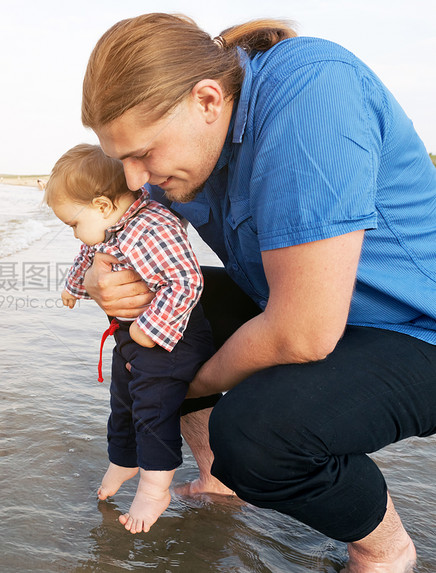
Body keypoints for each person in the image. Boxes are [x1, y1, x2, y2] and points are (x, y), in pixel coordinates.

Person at [80, 13, 436, 572]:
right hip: (305, 312)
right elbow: (118, 226)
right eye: (121, 158)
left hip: (415, 329)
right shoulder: (179, 159)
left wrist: (185, 380)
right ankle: (217, 477)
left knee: (256, 436)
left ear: (206, 101)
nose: (133, 179)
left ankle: (384, 550)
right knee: (154, 314)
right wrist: (100, 277)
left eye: (143, 153)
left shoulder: (312, 91)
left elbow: (303, 333)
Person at [47, 143, 217, 533]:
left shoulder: (153, 227)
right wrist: (75, 285)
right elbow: (89, 255)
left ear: (104, 204)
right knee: (122, 400)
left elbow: (186, 281)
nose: (75, 233)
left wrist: (150, 329)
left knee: (152, 407)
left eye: (73, 223)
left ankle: (156, 486)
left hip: (173, 336)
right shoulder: (111, 227)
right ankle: (124, 459)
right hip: (132, 335)